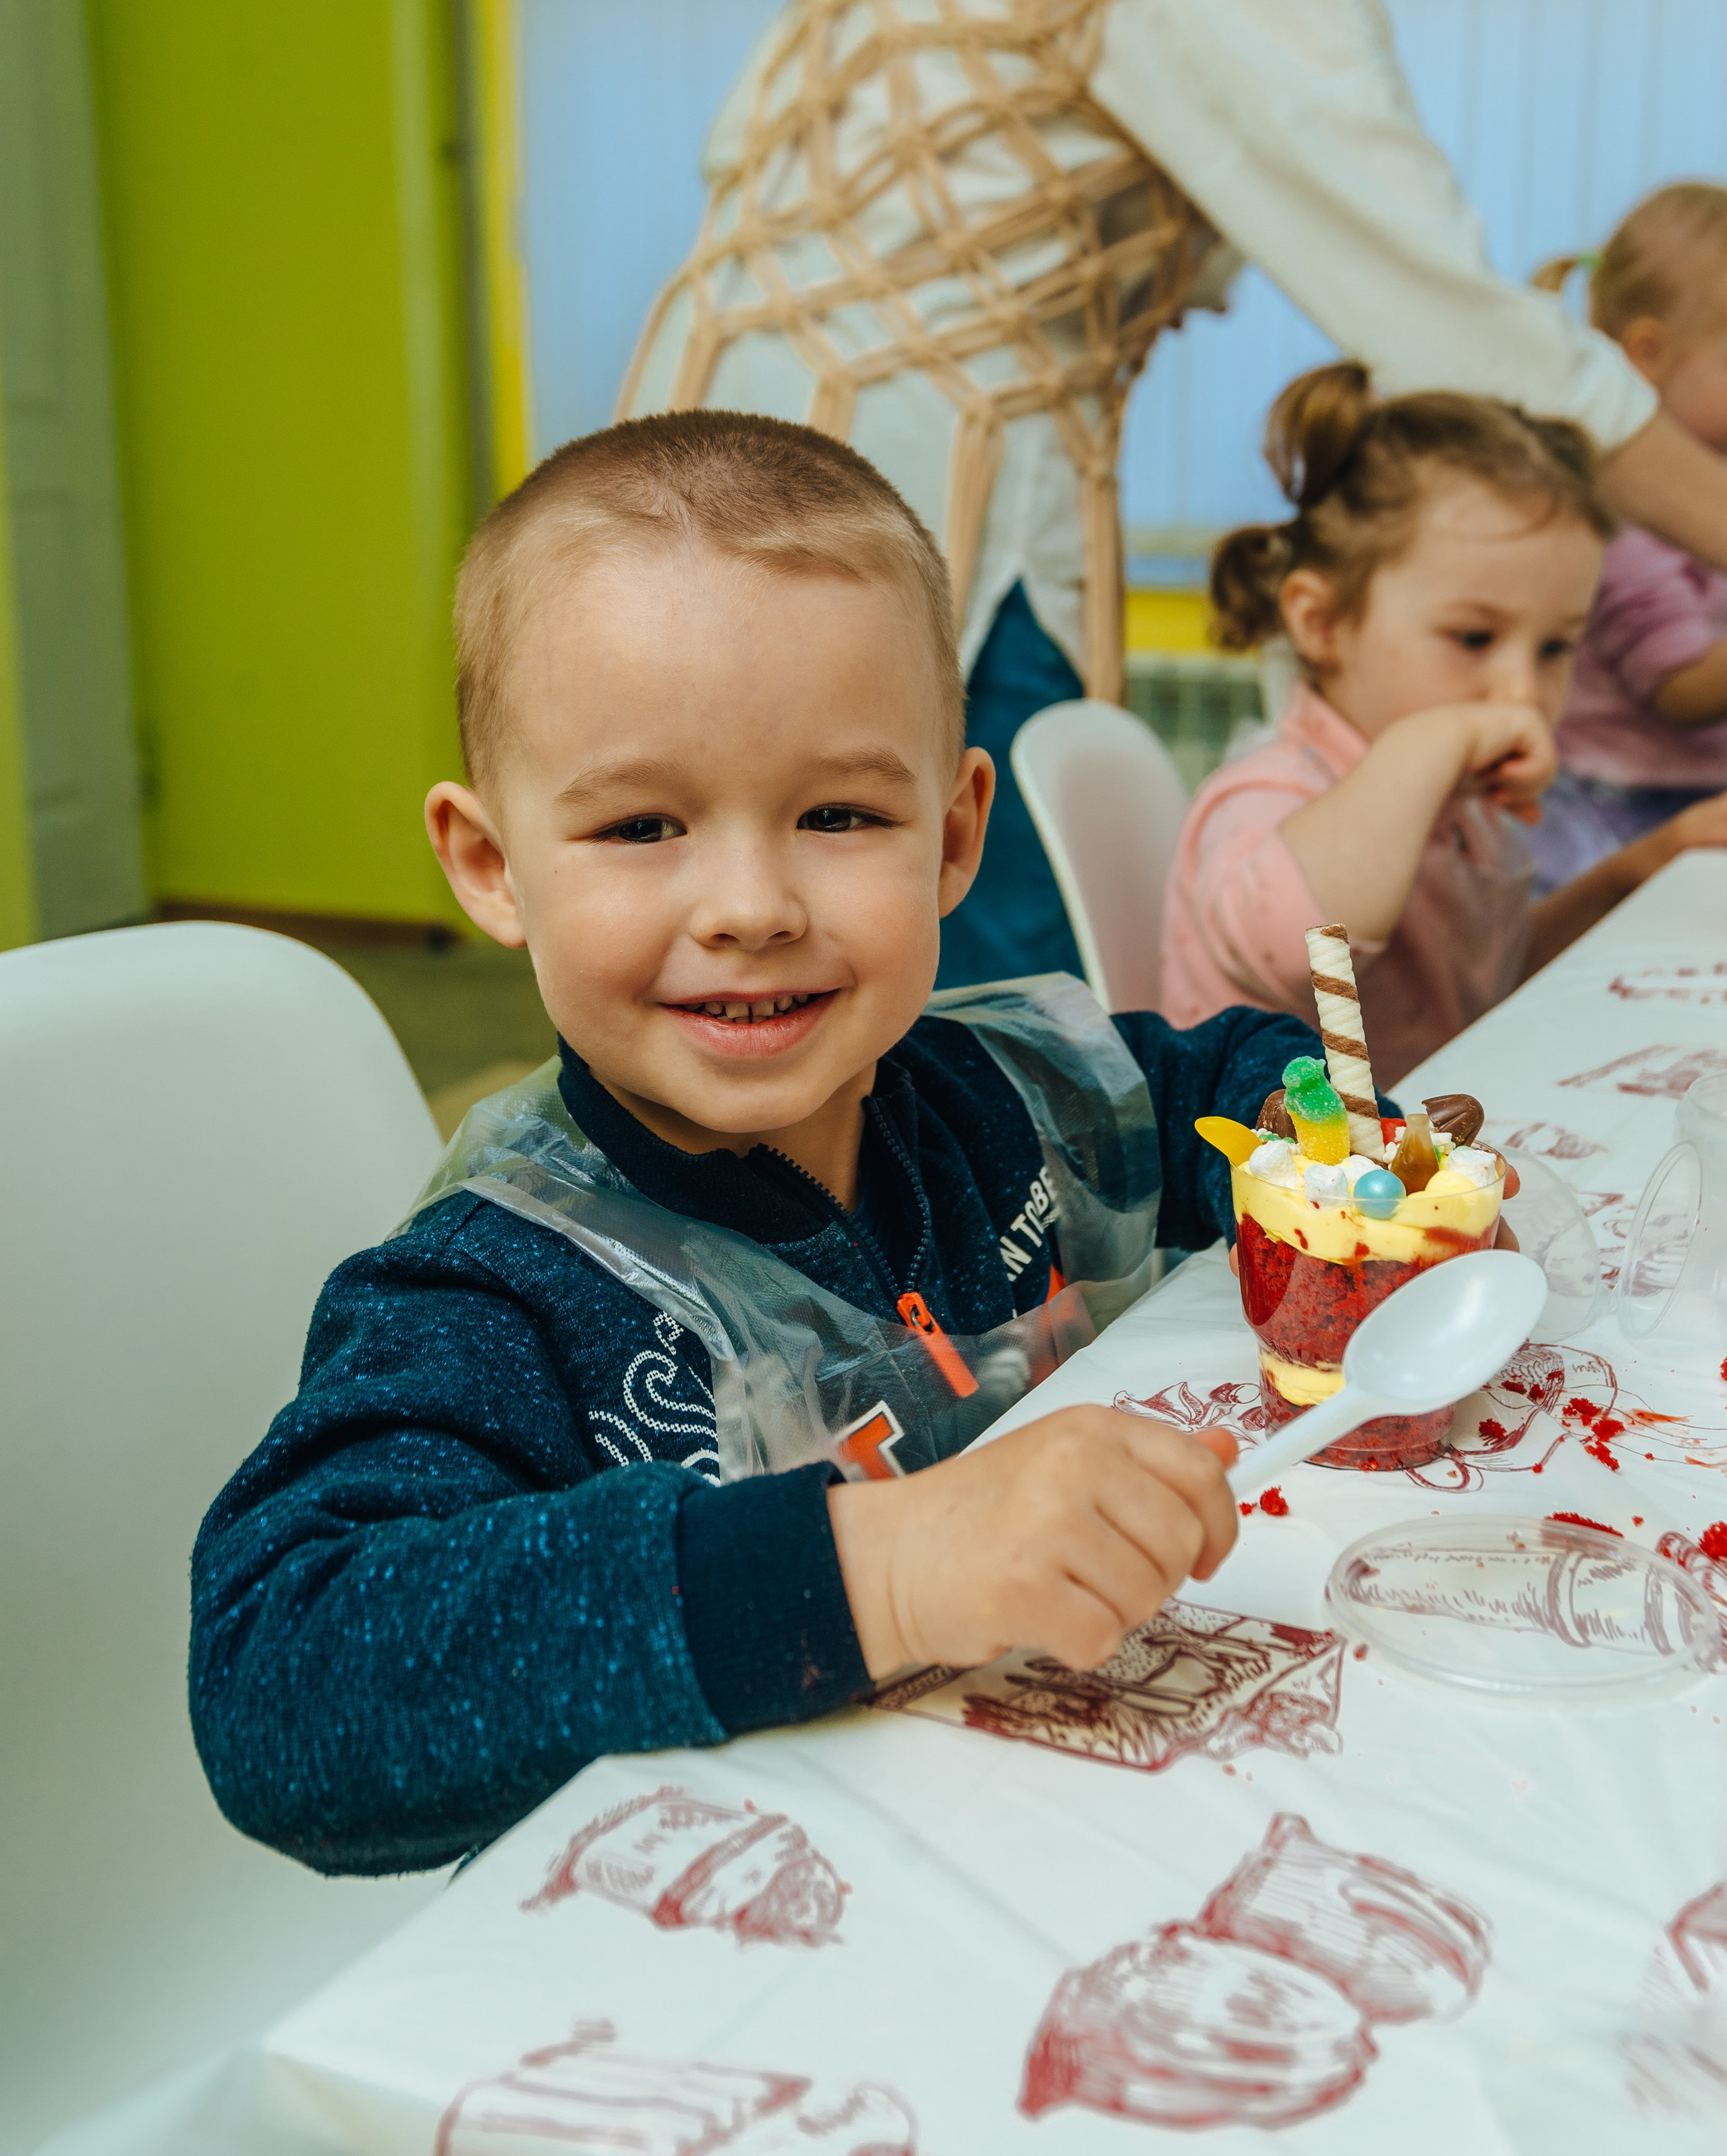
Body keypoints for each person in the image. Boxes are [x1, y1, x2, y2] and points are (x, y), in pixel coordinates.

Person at [188, 411, 1330, 1877]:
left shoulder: (1006, 1095)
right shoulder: (491, 1293)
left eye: (837, 813)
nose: (748, 904)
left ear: (952, 837)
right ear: (492, 866)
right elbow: (284, 1682)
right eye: (642, 826)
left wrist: (1354, 1166)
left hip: (1075, 1839)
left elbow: (1219, 1084)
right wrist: (888, 1566)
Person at [615, 0, 1727, 989]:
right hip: (926, 529)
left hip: (690, 482)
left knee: (728, 976)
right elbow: (1468, 333)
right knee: (978, 1028)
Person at [1159, 364, 1727, 1083]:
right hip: (1264, 1187)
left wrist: (1638, 867)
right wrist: (1439, 740)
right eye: (1471, 638)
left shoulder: (1459, 803)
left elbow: (1483, 986)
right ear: (1322, 621)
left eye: (1555, 647)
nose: (1520, 691)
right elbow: (1298, 954)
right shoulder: (1267, 792)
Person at [1528, 185, 1727, 891]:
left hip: (1692, 793)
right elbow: (1675, 687)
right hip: (1610, 810)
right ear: (1646, 352)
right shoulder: (1624, 513)